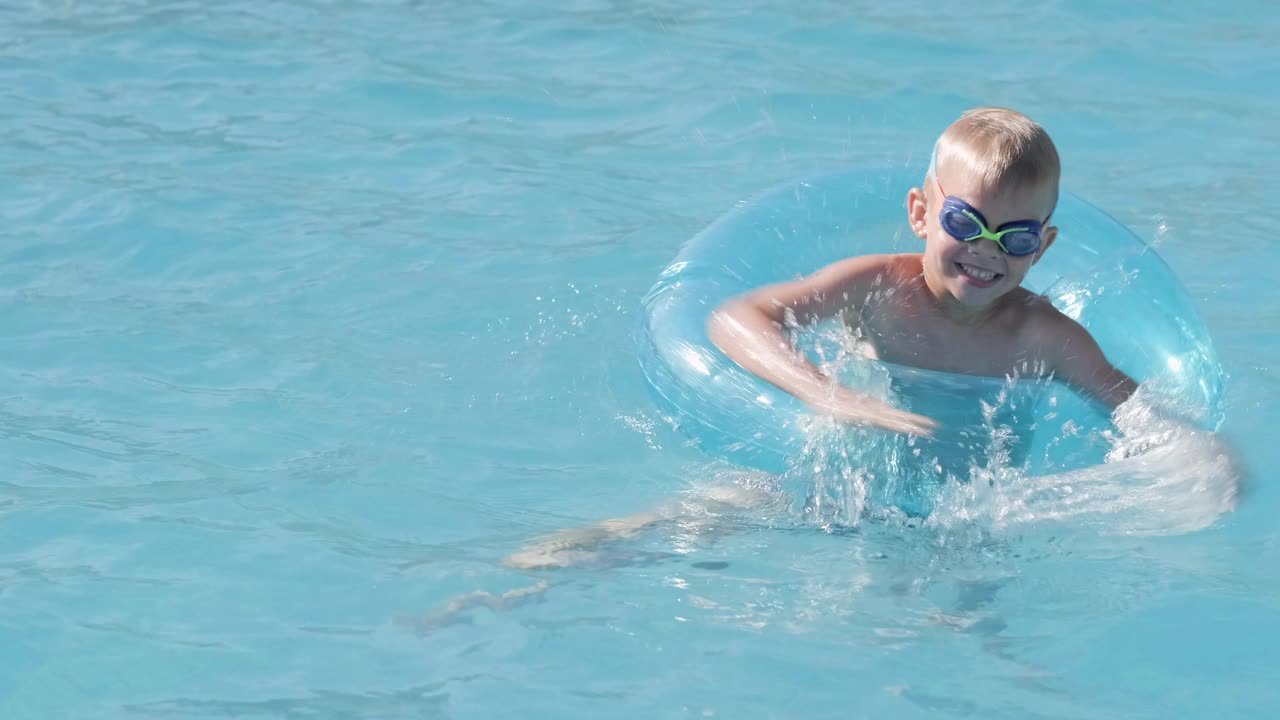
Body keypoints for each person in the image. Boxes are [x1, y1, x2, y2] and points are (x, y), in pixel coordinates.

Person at [708, 106, 1136, 439]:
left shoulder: (1043, 337)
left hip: (969, 518)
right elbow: (736, 318)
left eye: (1017, 237)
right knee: (713, 511)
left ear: (1041, 247)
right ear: (920, 214)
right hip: (847, 483)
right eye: (965, 222)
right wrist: (827, 394)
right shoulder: (880, 288)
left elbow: (1134, 409)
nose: (986, 250)